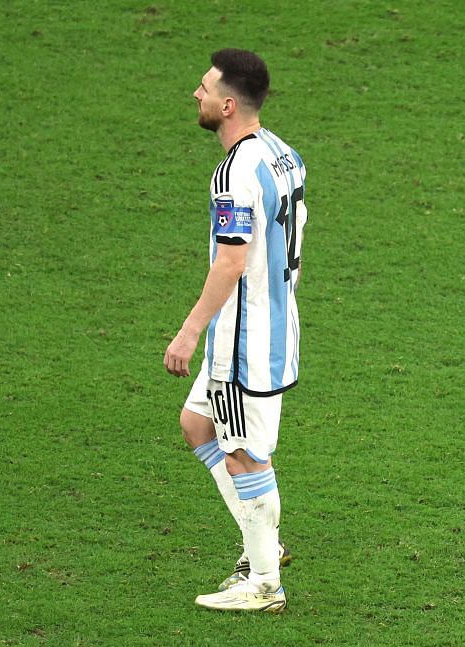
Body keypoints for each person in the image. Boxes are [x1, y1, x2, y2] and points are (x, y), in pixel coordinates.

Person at [164, 48, 305, 613]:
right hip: (274, 325)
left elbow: (231, 261)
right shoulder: (282, 154)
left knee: (246, 454)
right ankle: (262, 542)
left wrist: (189, 331)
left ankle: (265, 582)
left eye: (202, 88)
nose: (195, 95)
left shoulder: (236, 172)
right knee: (197, 425)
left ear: (227, 104)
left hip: (244, 341)